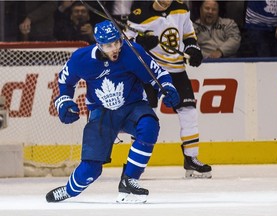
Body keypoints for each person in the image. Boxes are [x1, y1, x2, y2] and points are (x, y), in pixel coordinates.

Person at [45, 20, 180, 204]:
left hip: (133, 106)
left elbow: (158, 74)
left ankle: (129, 180)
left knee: (149, 126)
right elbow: (65, 81)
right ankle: (69, 190)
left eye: (117, 42)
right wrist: (64, 101)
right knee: (91, 169)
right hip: (102, 112)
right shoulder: (81, 59)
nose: (115, 48)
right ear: (99, 44)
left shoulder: (133, 52)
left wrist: (167, 87)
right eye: (109, 45)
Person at [126, 0, 212, 178]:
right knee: (143, 115)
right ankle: (133, 163)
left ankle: (191, 158)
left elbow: (189, 35)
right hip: (150, 70)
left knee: (189, 111)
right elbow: (126, 44)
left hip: (176, 70)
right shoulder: (139, 13)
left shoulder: (181, 8)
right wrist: (140, 43)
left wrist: (193, 49)